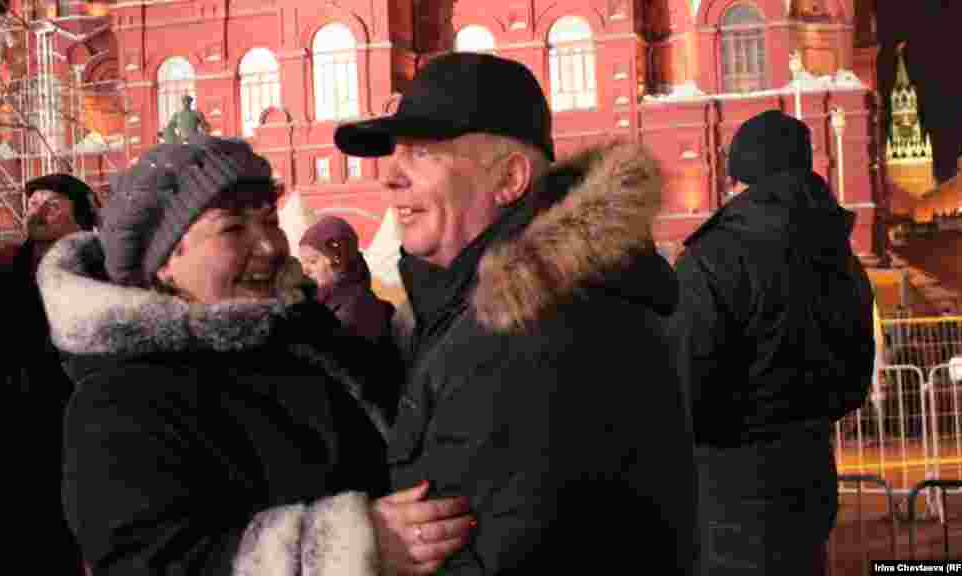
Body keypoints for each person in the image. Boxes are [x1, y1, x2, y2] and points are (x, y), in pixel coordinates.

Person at [36, 135, 472, 575]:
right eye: (232, 228)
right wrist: (344, 551)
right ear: (163, 262)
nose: (269, 247)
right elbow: (147, 563)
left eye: (270, 220)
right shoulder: (118, 400)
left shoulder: (309, 338)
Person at [335, 52, 697, 574]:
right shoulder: (497, 303)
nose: (389, 176)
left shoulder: (524, 327)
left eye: (420, 153)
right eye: (393, 154)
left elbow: (485, 557)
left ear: (509, 179)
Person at [667, 110, 876, 575]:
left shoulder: (714, 259)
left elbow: (683, 390)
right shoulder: (840, 256)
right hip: (812, 475)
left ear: (740, 180)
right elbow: (855, 378)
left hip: (730, 492)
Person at [4, 172, 98, 575]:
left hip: (82, 413)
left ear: (78, 216)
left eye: (52, 205)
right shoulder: (4, 270)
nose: (37, 212)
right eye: (32, 204)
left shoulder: (97, 268)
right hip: (18, 420)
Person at [298, 215, 396, 342]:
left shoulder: (358, 306)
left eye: (312, 261)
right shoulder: (318, 301)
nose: (305, 271)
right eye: (302, 263)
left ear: (339, 260)